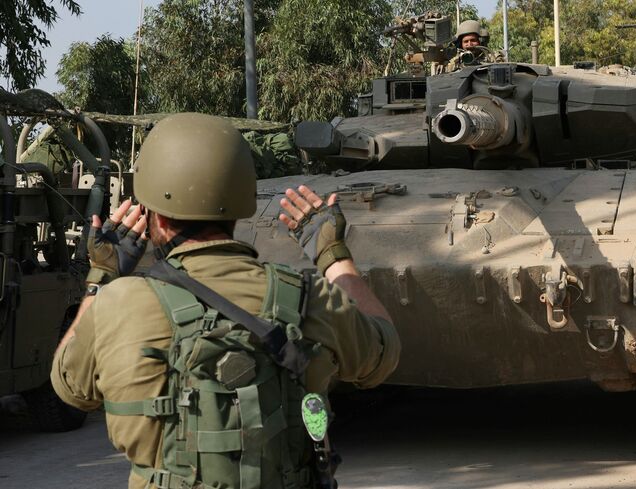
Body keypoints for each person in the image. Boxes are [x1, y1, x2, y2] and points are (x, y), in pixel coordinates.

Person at [50, 112, 400, 489]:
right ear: (241, 203)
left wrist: (102, 276)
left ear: (158, 220)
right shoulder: (306, 295)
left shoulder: (116, 303)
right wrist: (332, 256)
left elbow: (69, 388)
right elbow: (383, 354)